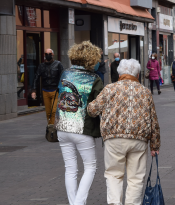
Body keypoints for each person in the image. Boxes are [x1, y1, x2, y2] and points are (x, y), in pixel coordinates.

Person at [87, 59, 160, 205]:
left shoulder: (110, 89)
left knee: (113, 175)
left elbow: (92, 110)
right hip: (139, 139)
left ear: (120, 73)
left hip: (114, 138)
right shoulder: (145, 92)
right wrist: (155, 145)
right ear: (137, 74)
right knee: (136, 178)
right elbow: (153, 120)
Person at [56, 41, 103, 205]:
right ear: (91, 60)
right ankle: (78, 203)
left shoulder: (65, 74)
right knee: (90, 167)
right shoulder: (94, 78)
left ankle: (73, 202)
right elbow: (100, 105)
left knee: (70, 169)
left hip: (63, 127)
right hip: (83, 128)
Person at [32, 48, 64, 125]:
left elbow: (63, 77)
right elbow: (36, 78)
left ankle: (52, 128)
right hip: (45, 91)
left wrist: (62, 89)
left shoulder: (58, 64)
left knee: (54, 111)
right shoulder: (41, 66)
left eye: (50, 54)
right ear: (44, 55)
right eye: (46, 54)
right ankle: (50, 128)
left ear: (53, 55)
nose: (48, 56)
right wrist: (33, 91)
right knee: (48, 112)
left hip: (55, 90)